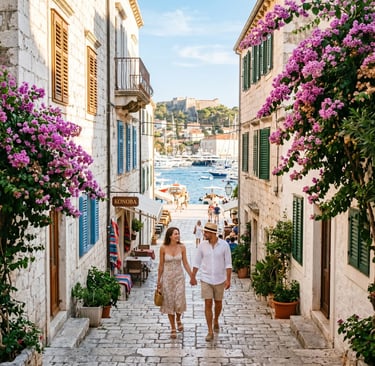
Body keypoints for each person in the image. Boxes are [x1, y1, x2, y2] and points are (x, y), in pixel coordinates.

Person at [190, 222, 232, 342]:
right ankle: (210, 331)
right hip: (206, 278)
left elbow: (228, 264)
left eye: (206, 232)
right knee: (208, 303)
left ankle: (216, 319)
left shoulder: (224, 245)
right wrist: (193, 276)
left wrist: (228, 279)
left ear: (212, 233)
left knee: (218, 304)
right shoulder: (202, 245)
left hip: (220, 279)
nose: (204, 234)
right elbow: (197, 262)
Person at [157, 226, 194, 339]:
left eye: (178, 233)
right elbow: (161, 265)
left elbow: (186, 263)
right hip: (167, 278)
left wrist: (192, 276)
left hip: (179, 277)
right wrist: (159, 281)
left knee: (179, 300)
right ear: (170, 236)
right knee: (169, 302)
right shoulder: (163, 248)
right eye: (175, 234)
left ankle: (178, 319)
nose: (178, 235)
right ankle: (173, 326)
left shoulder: (182, 247)